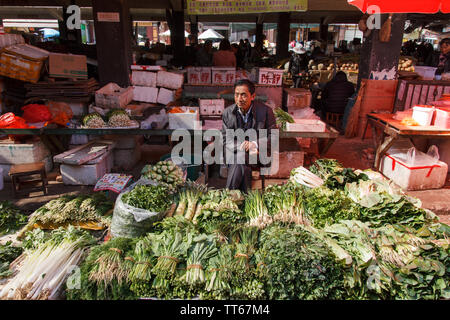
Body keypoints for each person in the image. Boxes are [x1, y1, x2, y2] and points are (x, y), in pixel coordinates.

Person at [221, 79, 277, 192]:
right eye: (236, 95)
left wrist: (254, 144)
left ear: (253, 96)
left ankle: (228, 196)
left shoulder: (266, 111)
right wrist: (243, 146)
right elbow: (226, 139)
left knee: (239, 160)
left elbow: (274, 137)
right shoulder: (227, 113)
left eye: (243, 95)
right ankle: (245, 197)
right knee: (240, 158)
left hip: (258, 154)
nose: (239, 99)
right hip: (235, 153)